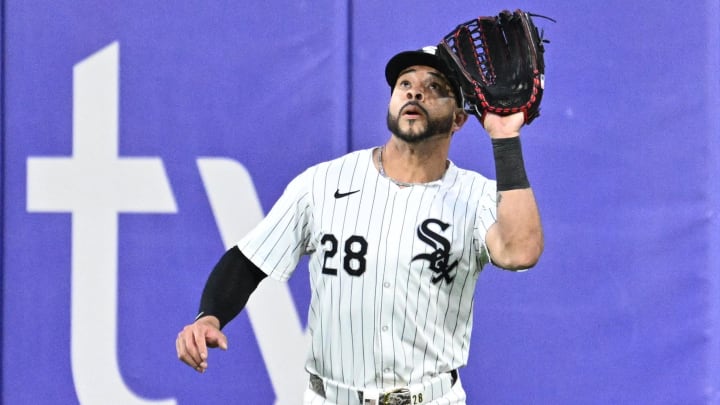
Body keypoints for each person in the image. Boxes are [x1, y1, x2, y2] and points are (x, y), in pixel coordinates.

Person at [176, 45, 543, 405]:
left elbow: (521, 251)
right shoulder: (322, 183)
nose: (416, 91)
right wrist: (209, 316)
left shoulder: (476, 195)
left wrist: (505, 138)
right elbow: (249, 259)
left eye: (436, 87)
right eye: (405, 83)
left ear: (459, 119)